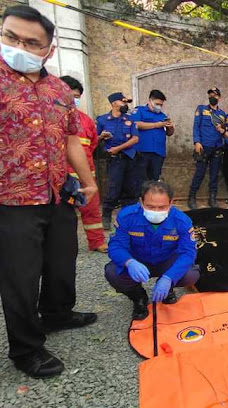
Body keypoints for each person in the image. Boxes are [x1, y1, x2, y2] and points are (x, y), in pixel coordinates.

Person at [0, 5, 98, 378]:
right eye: (11, 37)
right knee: (20, 275)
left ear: (48, 49)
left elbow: (71, 139)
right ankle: (26, 348)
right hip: (11, 198)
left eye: (31, 42)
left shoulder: (59, 89)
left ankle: (57, 313)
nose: (19, 47)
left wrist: (88, 181)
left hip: (57, 191)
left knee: (62, 258)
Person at [105, 181, 200, 320]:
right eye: (150, 206)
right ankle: (138, 297)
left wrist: (169, 277)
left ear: (171, 203)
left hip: (166, 261)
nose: (156, 211)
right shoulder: (127, 216)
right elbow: (116, 245)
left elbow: (188, 252)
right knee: (113, 272)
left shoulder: (181, 220)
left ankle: (167, 289)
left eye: (162, 207)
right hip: (138, 261)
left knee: (191, 274)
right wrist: (129, 262)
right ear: (141, 202)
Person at [59, 75, 108, 253]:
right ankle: (60, 246)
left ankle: (97, 242)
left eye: (77, 97)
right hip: (61, 177)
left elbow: (92, 144)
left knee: (91, 209)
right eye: (70, 95)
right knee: (61, 214)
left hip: (86, 175)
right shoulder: (50, 118)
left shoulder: (86, 120)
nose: (74, 100)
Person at [97, 92, 141, 230]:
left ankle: (128, 220)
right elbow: (94, 139)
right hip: (114, 160)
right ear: (114, 103)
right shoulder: (102, 120)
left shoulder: (130, 119)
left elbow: (135, 138)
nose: (125, 105)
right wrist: (101, 137)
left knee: (131, 190)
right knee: (113, 189)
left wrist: (118, 148)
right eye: (123, 102)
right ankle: (106, 216)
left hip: (130, 158)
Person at [188, 87, 226, 210]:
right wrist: (197, 141)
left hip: (217, 147)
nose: (212, 97)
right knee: (199, 173)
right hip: (203, 147)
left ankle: (212, 198)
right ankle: (192, 197)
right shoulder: (201, 109)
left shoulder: (222, 114)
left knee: (214, 175)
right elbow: (196, 126)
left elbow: (224, 131)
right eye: (210, 95)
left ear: (219, 97)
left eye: (215, 95)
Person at [130, 89, 174, 181]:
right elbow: (135, 124)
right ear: (150, 101)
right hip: (142, 151)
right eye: (157, 104)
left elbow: (169, 133)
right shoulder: (139, 111)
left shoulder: (162, 115)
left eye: (161, 105)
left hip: (158, 152)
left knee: (154, 180)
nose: (159, 107)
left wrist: (170, 127)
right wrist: (156, 125)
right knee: (140, 179)